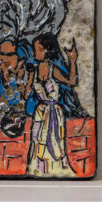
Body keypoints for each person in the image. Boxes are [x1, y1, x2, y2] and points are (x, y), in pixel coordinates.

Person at [26, 37, 77, 177]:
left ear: (46, 51)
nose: (35, 53)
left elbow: (72, 81)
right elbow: (26, 93)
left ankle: (55, 170)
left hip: (54, 112)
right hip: (40, 112)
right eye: (35, 49)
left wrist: (72, 61)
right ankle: (38, 170)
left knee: (56, 142)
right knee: (37, 141)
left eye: (38, 49)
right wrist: (24, 81)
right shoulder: (34, 71)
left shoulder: (52, 70)